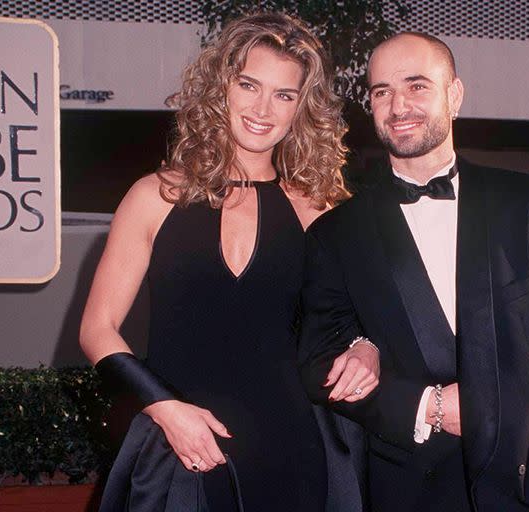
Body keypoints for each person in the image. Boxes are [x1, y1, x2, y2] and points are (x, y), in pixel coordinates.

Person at [80, 12, 378, 512]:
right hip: (179, 447)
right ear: (221, 88)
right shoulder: (154, 197)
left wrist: (366, 347)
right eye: (249, 85)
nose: (264, 108)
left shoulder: (318, 207)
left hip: (291, 450)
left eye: (284, 95)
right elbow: (97, 329)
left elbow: (354, 324)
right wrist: (166, 409)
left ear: (300, 108)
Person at [298, 32, 529, 511]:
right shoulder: (337, 233)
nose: (398, 106)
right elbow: (319, 360)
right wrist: (424, 405)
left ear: (454, 95)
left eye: (417, 86)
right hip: (405, 484)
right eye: (382, 92)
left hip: (525, 479)